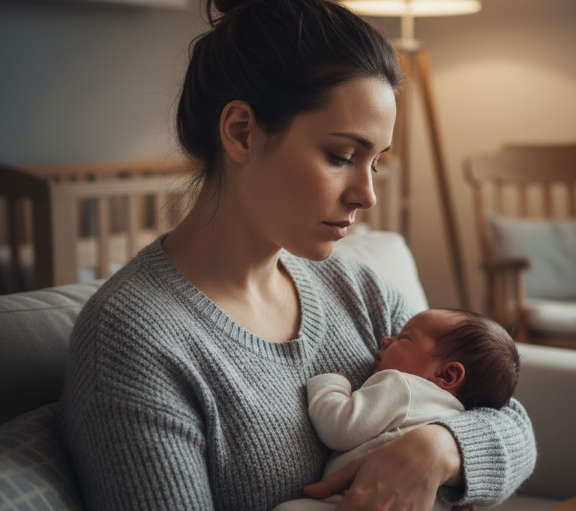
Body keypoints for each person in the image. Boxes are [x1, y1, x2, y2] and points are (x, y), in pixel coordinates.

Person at [60, 1, 537, 510]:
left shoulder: (355, 287)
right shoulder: (134, 340)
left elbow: (512, 421)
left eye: (375, 162)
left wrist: (438, 446)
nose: (366, 194)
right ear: (242, 132)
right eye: (342, 156)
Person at [274, 308, 521, 511]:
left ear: (447, 374)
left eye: (404, 338)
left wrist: (330, 385)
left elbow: (340, 428)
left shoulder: (402, 386)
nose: (385, 339)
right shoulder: (459, 414)